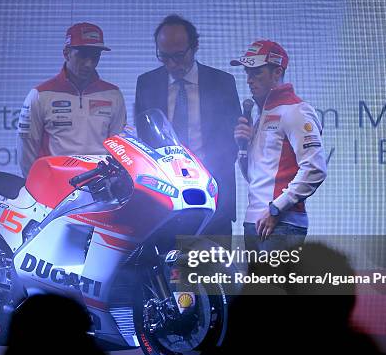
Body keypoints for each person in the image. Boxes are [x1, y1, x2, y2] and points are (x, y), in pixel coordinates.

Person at [135, 14, 241, 239]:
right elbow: (143, 141)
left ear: (195, 47)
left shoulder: (222, 82)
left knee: (212, 272)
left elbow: (233, 142)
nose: (173, 64)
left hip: (213, 200)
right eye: (164, 57)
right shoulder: (147, 83)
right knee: (166, 273)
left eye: (179, 55)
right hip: (163, 202)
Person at [231, 40, 327, 252]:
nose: (249, 80)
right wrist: (243, 149)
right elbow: (255, 176)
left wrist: (276, 209)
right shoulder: (262, 115)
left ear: (277, 72)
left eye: (257, 73)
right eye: (247, 73)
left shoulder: (296, 111)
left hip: (282, 224)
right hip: (256, 221)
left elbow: (315, 169)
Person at [17, 22, 127, 177]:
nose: (89, 64)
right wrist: (37, 186)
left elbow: (119, 149)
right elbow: (27, 150)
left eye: (95, 57)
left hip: (101, 186)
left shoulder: (113, 94)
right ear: (66, 53)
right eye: (82, 55)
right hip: (55, 185)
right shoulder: (40, 94)